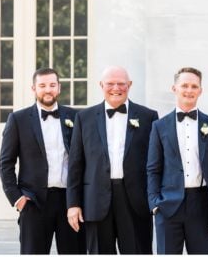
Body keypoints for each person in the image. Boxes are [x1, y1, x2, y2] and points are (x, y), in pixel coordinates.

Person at [67, 65, 158, 255]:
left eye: (121, 83)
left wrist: (155, 199)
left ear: (130, 85)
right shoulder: (84, 118)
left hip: (135, 201)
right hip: (95, 200)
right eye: (110, 83)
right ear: (101, 85)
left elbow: (155, 163)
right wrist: (73, 204)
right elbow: (76, 164)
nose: (116, 88)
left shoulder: (148, 117)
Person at [0, 67, 86, 256]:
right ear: (33, 89)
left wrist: (80, 199)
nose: (48, 90)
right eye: (43, 85)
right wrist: (17, 199)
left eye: (52, 85)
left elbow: (83, 159)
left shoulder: (76, 117)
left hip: (69, 202)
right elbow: (6, 163)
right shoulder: (18, 119)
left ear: (59, 88)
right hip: (34, 203)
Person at [147, 67, 208, 255]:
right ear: (174, 88)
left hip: (202, 204)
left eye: (194, 86)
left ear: (200, 91)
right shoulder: (159, 126)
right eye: (184, 85)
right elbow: (153, 169)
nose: (189, 90)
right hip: (168, 206)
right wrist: (154, 204)